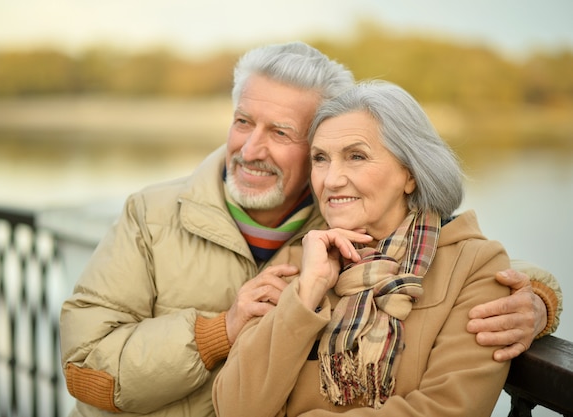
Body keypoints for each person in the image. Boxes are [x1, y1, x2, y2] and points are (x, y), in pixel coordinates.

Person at [59, 42, 561, 417]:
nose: (252, 149)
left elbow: (449, 258)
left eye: (281, 132)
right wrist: (220, 331)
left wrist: (538, 298)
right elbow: (83, 369)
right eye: (242, 122)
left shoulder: (340, 223)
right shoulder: (151, 215)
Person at [212, 79, 527, 416]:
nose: (331, 180)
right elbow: (234, 408)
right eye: (320, 159)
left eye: (356, 156)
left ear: (410, 174)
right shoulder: (300, 258)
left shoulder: (474, 266)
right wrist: (305, 295)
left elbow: (448, 408)